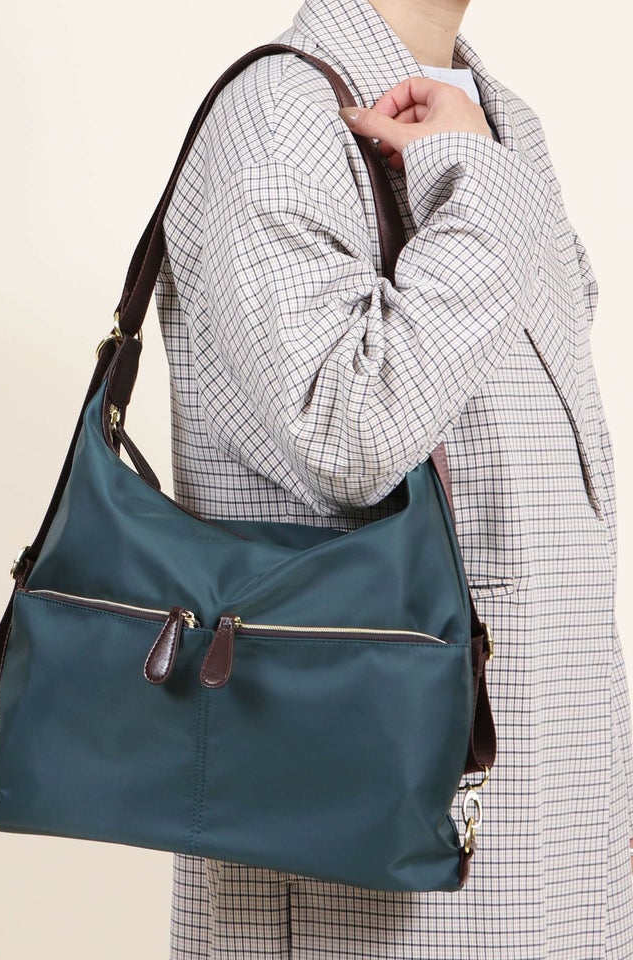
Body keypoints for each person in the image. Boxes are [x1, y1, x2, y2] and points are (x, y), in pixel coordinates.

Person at [154, 0, 633, 955]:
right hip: (381, 861)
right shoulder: (280, 114)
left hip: (552, 827)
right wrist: (481, 186)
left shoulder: (501, 115)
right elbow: (348, 431)